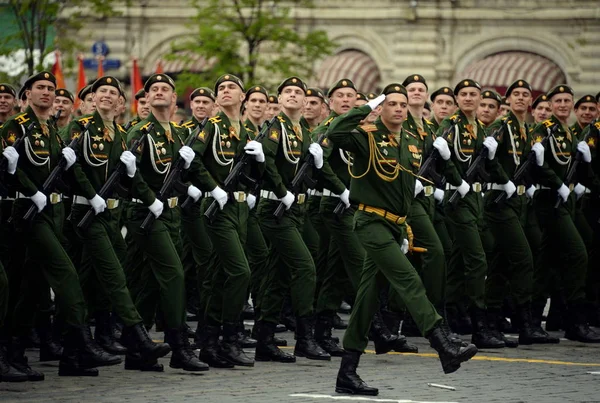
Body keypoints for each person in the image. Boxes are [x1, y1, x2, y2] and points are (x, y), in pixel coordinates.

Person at [326, 85, 477, 396]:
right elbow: (337, 132)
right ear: (381, 108)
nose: (397, 109)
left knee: (367, 300)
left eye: (402, 104)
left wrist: (405, 227)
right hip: (369, 222)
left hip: (394, 225)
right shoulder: (366, 135)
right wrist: (366, 105)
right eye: (390, 103)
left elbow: (404, 188)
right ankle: (442, 342)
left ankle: (347, 373)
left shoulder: (410, 139)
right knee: (408, 280)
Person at [0, 71, 122, 378]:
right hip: (28, 213)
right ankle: (81, 341)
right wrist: (31, 191)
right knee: (66, 275)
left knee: (32, 285)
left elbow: (62, 173)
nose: (46, 93)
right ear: (25, 95)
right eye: (39, 88)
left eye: (50, 89)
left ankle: (19, 354)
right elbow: (14, 170)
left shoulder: (52, 130)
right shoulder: (15, 127)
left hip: (54, 213)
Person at [65, 75, 172, 371]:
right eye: (102, 92)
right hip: (86, 213)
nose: (107, 96)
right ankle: (138, 338)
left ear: (120, 102)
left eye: (113, 93)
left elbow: (128, 179)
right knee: (114, 277)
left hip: (111, 214)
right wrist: (90, 195)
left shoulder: (122, 135)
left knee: (92, 281)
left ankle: (73, 354)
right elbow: (72, 169)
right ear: (92, 97)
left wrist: (141, 189)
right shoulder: (81, 128)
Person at [126, 73, 209, 370]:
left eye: (166, 89)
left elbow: (174, 178)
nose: (159, 92)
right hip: (147, 214)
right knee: (174, 275)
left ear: (174, 99)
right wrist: (150, 200)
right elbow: (130, 176)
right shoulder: (140, 131)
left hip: (171, 214)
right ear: (146, 98)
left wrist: (189, 184)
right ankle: (179, 347)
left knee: (150, 281)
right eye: (154, 89)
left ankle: (137, 351)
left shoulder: (175, 133)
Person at [253, 76, 329, 363]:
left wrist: (338, 185)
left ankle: (264, 339)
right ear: (280, 99)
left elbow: (309, 171)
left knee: (278, 274)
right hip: (275, 210)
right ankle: (305, 338)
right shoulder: (276, 129)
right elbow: (267, 164)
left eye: (299, 92)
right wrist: (282, 191)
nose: (295, 96)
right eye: (289, 92)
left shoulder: (303, 132)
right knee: (305, 267)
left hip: (295, 210)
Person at [187, 74, 259, 368]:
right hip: (218, 209)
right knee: (240, 272)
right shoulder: (212, 128)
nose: (225, 91)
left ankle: (208, 342)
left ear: (242, 97)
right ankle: (231, 338)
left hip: (241, 210)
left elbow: (254, 174)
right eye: (221, 89)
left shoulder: (246, 132)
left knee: (218, 277)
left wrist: (261, 165)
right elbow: (192, 161)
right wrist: (212, 188)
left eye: (231, 88)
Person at [483, 79, 558, 345]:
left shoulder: (526, 130)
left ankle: (489, 324)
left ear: (530, 101)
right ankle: (525, 322)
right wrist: (505, 180)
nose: (520, 98)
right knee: (524, 258)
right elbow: (486, 158)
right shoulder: (501, 126)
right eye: (515, 94)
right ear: (508, 100)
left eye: (525, 95)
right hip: (498, 200)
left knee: (501, 264)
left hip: (517, 202)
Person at [437, 79, 507, 348]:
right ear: (457, 98)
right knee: (477, 260)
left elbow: (482, 166)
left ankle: (454, 314)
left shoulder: (477, 127)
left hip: (474, 198)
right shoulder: (450, 126)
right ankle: (480, 326)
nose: (468, 98)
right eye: (463, 94)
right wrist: (456, 181)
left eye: (473, 94)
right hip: (458, 199)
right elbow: (439, 163)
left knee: (459, 260)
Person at [530, 84, 600, 343]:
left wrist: (586, 166)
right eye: (557, 101)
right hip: (549, 199)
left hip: (566, 200)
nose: (562, 105)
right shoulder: (544, 130)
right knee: (578, 253)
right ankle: (576, 321)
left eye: (566, 100)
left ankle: (533, 321)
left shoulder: (570, 133)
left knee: (547, 262)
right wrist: (556, 182)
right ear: (550, 104)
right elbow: (538, 165)